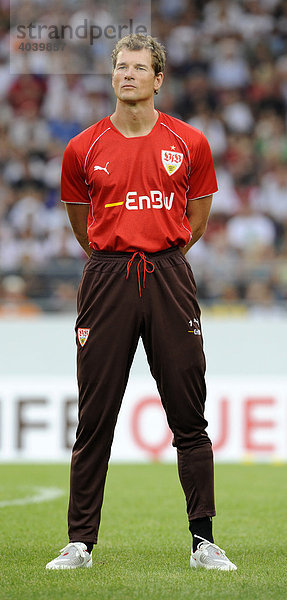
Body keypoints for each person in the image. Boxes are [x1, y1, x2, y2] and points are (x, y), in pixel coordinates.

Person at [46, 33, 237, 572]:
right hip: (107, 277)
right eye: (120, 67)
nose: (127, 75)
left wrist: (156, 250)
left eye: (138, 68)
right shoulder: (82, 147)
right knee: (94, 415)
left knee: (188, 413)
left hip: (169, 275)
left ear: (158, 79)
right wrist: (121, 251)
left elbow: (194, 224)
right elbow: (85, 230)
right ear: (112, 77)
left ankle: (204, 541)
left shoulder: (190, 142)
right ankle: (80, 543)